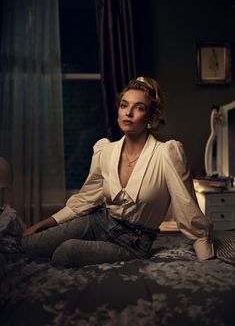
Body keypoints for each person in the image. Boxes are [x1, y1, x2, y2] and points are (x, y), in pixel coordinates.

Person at [21, 76, 215, 267]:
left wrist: (207, 256)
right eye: (124, 105)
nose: (128, 113)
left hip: (132, 242)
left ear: (151, 117)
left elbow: (186, 206)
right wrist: (45, 223)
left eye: (139, 108)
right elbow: (86, 199)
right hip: (98, 221)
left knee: (65, 253)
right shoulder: (105, 150)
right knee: (29, 244)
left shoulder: (167, 154)